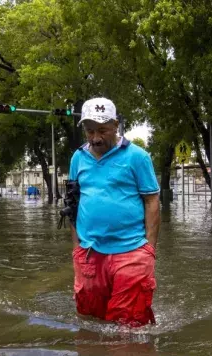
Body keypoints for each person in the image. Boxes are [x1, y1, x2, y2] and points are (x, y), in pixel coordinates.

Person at [67, 97, 161, 327]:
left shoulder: (137, 157)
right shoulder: (78, 158)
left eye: (102, 130)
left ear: (116, 125)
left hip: (132, 251)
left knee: (129, 326)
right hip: (89, 253)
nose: (96, 138)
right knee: (89, 323)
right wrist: (77, 250)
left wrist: (148, 249)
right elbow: (72, 203)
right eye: (90, 131)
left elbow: (151, 201)